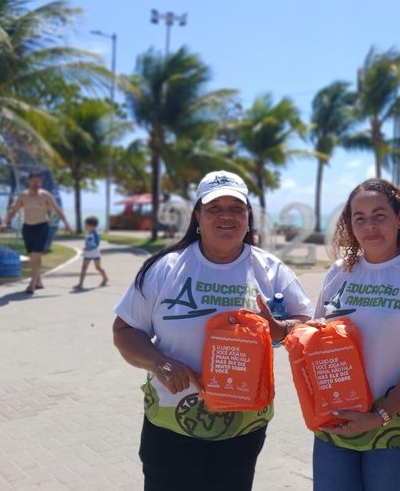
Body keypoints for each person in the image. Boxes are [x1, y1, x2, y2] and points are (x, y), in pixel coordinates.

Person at [111, 170, 313, 491]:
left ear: (248, 216)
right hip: (170, 423)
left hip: (242, 427)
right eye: (214, 208)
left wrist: (279, 329)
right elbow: (124, 330)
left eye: (236, 207)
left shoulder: (271, 270)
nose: (226, 216)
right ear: (198, 216)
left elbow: (307, 326)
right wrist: (159, 362)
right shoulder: (164, 268)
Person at [312, 178, 400, 491]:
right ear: (350, 225)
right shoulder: (338, 272)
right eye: (359, 218)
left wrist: (381, 415)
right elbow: (316, 340)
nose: (370, 225)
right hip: (338, 421)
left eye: (379, 215)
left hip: (397, 425)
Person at [0, 170, 73, 294]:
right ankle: (38, 280)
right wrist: (5, 222)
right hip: (27, 227)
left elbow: (57, 210)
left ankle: (32, 283)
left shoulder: (45, 195)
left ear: (41, 182)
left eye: (38, 181)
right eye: (34, 181)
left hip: (42, 227)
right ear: (29, 181)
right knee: (31, 256)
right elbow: (13, 210)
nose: (36, 183)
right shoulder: (23, 195)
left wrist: (67, 224)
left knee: (36, 255)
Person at [75, 216, 108, 289]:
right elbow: (87, 242)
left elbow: (96, 243)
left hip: (95, 253)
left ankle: (105, 278)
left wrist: (89, 247)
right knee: (84, 267)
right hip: (88, 253)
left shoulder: (96, 234)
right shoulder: (87, 233)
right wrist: (86, 247)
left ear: (92, 226)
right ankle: (80, 284)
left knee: (98, 267)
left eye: (87, 225)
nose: (85, 226)